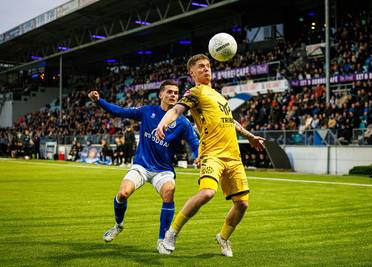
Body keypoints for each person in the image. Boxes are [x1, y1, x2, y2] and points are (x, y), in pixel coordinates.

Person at [155, 54, 265, 257]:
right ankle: (171, 233)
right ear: (192, 73)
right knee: (207, 193)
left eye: (208, 66)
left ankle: (223, 238)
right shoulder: (195, 92)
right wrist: (162, 123)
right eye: (201, 67)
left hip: (233, 155)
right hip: (212, 153)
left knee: (242, 204)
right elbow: (177, 111)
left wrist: (250, 137)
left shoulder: (219, 96)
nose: (206, 69)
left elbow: (231, 121)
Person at [88, 80, 199, 254]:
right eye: (169, 92)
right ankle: (118, 225)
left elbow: (194, 142)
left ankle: (162, 240)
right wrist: (99, 100)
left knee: (169, 191)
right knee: (123, 193)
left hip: (163, 169)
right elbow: (119, 111)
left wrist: (199, 155)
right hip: (142, 165)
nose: (173, 95)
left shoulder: (183, 122)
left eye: (176, 93)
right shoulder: (147, 111)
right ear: (160, 95)